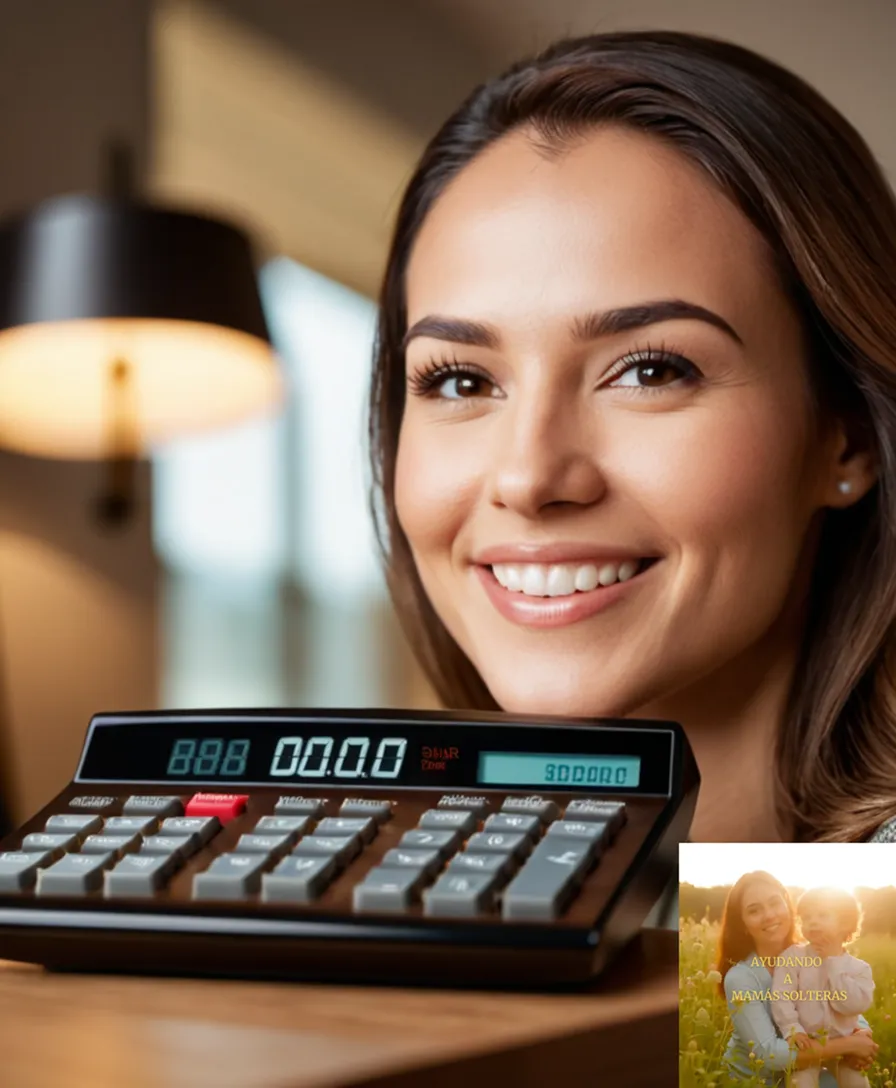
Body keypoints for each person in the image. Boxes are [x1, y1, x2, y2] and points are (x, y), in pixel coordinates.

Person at [366, 29, 896, 853]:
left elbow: (767, 979)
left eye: (650, 372)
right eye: (462, 381)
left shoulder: (834, 935)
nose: (530, 475)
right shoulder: (425, 878)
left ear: (849, 437)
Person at [716, 872, 877, 1084]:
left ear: (788, 907)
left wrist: (862, 1032)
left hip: (809, 1064)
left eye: (775, 903)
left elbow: (840, 1003)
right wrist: (849, 1045)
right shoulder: (741, 978)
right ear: (743, 924)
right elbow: (767, 1054)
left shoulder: (814, 954)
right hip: (756, 1079)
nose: (769, 915)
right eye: (754, 910)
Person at [770, 887, 875, 1087]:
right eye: (807, 917)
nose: (813, 922)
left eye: (822, 915)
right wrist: (792, 1029)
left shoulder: (859, 969)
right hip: (807, 1043)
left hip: (844, 1048)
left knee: (858, 1083)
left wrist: (833, 962)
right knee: (800, 1083)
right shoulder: (792, 958)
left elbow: (852, 1006)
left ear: (845, 923)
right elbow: (781, 997)